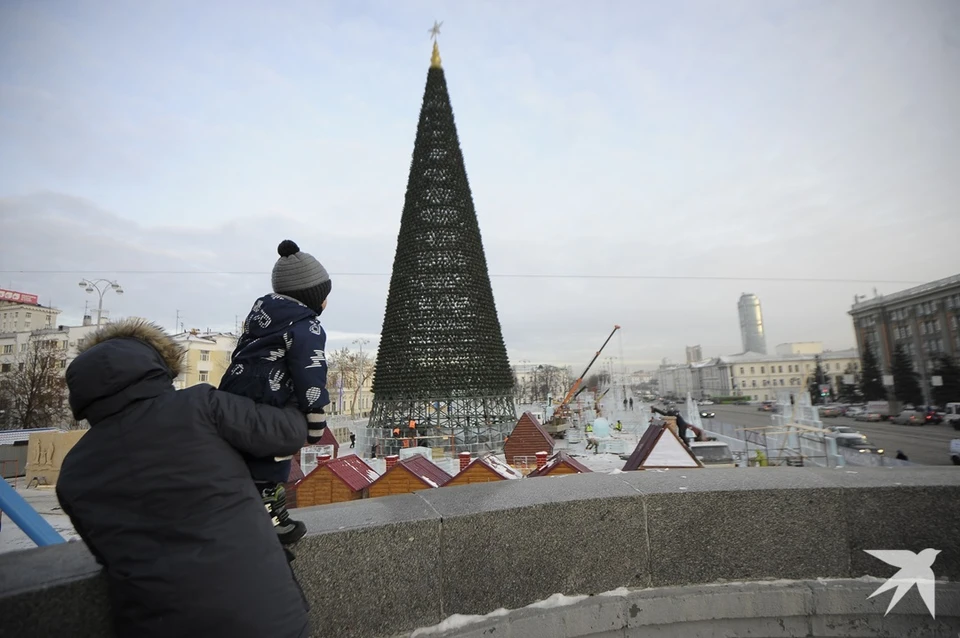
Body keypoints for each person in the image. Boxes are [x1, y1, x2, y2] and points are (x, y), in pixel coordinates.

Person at [57, 319, 311, 638]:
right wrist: (294, 389)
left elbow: (107, 555)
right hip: (267, 616)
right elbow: (288, 434)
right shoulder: (201, 405)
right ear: (158, 365)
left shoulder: (73, 472)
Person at [220, 239, 332, 545]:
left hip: (234, 394)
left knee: (244, 454)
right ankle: (271, 515)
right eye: (324, 296)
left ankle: (240, 510)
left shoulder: (260, 318)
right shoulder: (307, 326)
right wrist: (315, 413)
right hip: (273, 398)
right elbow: (310, 369)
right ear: (312, 297)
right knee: (276, 450)